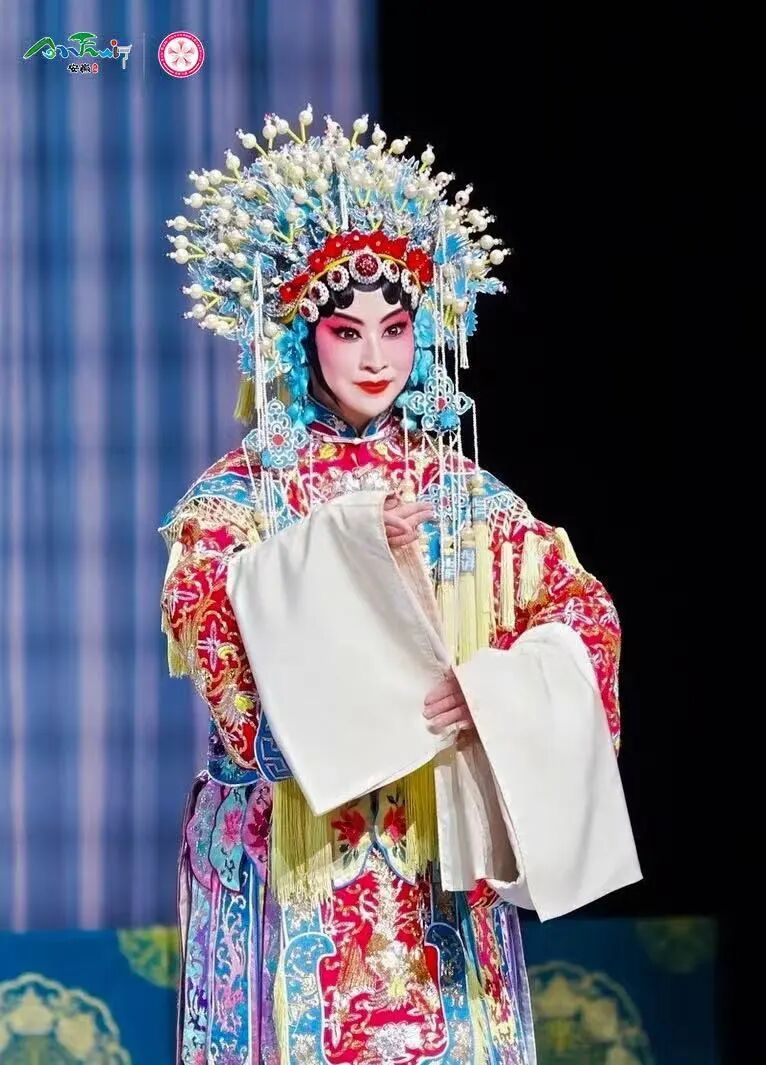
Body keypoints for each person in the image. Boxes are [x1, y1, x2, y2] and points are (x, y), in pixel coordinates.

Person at [161, 108, 639, 1064]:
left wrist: (495, 691)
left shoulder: (462, 490)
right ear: (300, 335)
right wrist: (343, 553)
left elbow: (583, 613)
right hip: (288, 852)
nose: (377, 357)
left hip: (434, 854)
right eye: (347, 331)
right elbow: (223, 660)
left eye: (397, 327)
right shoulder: (236, 499)